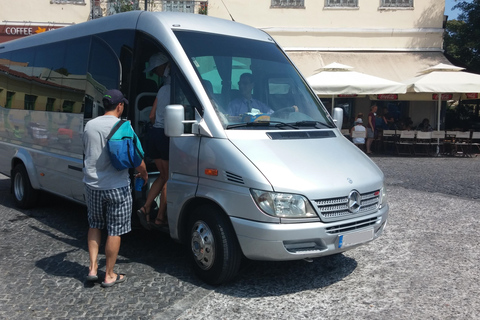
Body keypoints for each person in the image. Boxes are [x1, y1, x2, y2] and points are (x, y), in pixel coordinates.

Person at [83, 89, 148, 287]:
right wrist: (144, 174)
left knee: (94, 225)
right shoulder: (124, 126)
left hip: (92, 184)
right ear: (119, 106)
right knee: (114, 231)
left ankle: (93, 268)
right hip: (117, 186)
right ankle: (109, 274)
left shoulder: (89, 125)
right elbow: (137, 158)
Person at [137, 52, 171, 231]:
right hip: (166, 134)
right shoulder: (173, 88)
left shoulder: (162, 89)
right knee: (169, 178)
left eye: (156, 70)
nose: (156, 73)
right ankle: (160, 217)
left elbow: (151, 115)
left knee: (162, 175)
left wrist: (156, 126)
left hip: (154, 134)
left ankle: (146, 207)